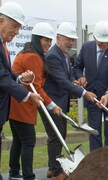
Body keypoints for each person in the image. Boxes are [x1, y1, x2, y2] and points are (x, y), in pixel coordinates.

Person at [40, 22, 96, 180]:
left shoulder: (64, 54)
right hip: (51, 102)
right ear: (58, 38)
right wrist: (84, 92)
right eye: (68, 39)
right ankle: (56, 172)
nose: (71, 43)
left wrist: (76, 81)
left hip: (61, 101)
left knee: (60, 135)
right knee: (56, 136)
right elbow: (62, 81)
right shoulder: (52, 56)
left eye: (73, 40)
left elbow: (69, 76)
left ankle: (53, 168)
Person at [8, 22, 62, 180]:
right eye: (46, 40)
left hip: (16, 104)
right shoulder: (33, 57)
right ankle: (28, 176)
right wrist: (52, 105)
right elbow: (36, 87)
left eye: (50, 40)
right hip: (22, 105)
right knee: (28, 141)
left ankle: (14, 173)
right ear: (37, 39)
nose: (49, 43)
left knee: (18, 140)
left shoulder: (25, 52)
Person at [0, 1, 42, 173]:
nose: (17, 32)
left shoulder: (4, 44)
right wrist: (27, 96)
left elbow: (6, 73)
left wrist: (20, 79)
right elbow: (1, 77)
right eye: (15, 26)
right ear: (1, 21)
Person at [73, 20, 108, 152]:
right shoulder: (86, 48)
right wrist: (80, 77)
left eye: (107, 41)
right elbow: (77, 67)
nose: (105, 45)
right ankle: (96, 163)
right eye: (102, 42)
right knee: (94, 132)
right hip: (92, 97)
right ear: (95, 37)